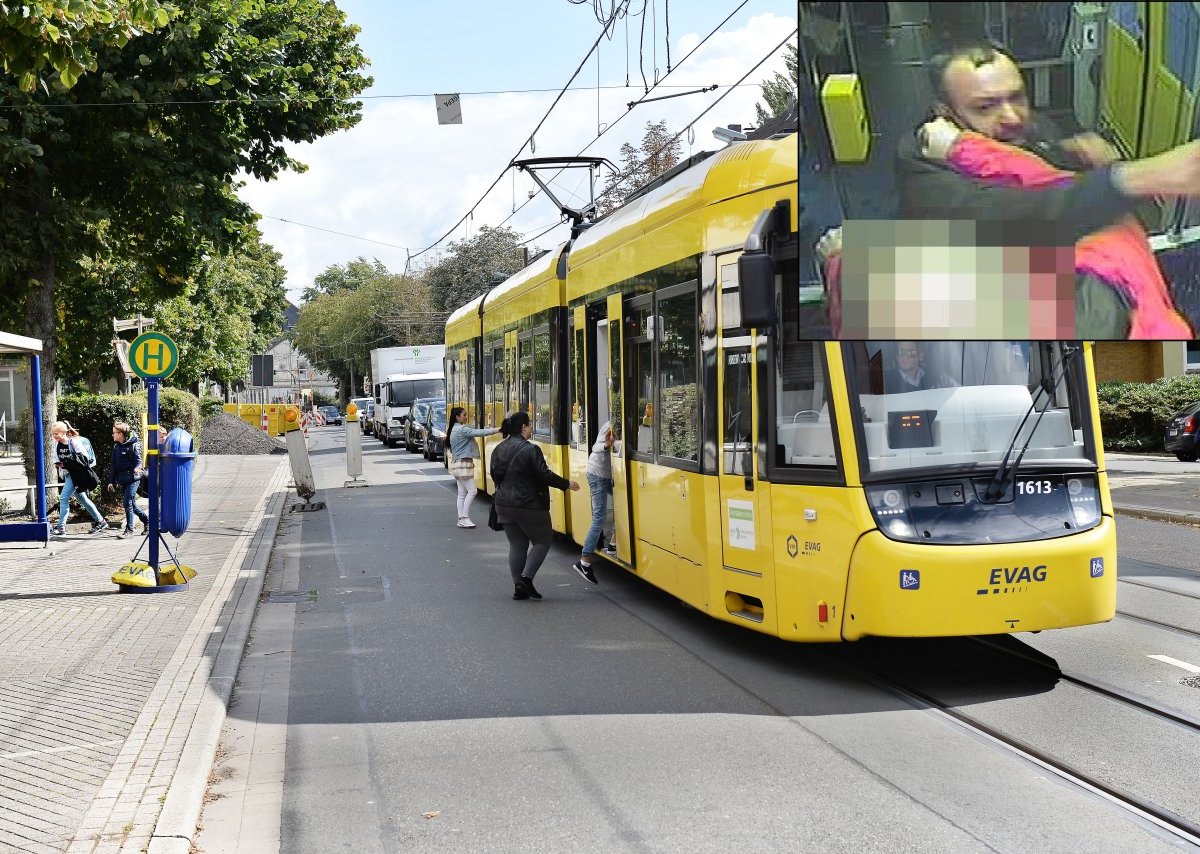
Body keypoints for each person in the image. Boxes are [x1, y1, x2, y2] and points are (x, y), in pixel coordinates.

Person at [895, 41, 1200, 337]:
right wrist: (1132, 178)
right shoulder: (922, 165)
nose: (1012, 116)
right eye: (985, 107)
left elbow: (1034, 169)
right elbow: (1011, 217)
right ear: (946, 115)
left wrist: (1066, 151)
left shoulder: (1031, 129)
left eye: (1016, 97)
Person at [489, 411, 580, 601]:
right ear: (524, 427)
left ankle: (518, 587)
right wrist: (566, 484)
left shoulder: (498, 449)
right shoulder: (531, 449)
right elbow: (544, 475)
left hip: (503, 504)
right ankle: (525, 580)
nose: (531, 428)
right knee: (543, 540)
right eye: (530, 425)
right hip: (529, 504)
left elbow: (495, 475)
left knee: (517, 544)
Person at [572, 420, 615, 585]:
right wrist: (606, 445)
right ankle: (584, 560)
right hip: (597, 475)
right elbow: (596, 447)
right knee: (599, 517)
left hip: (606, 476)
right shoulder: (609, 424)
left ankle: (612, 544)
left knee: (623, 506)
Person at [50, 420, 108, 535]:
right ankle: (101, 521)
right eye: (53, 434)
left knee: (63, 498)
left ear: (63, 433)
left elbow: (84, 459)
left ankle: (61, 527)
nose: (54, 436)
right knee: (83, 499)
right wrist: (63, 464)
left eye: (56, 433)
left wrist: (67, 463)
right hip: (67, 475)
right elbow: (57, 461)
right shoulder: (57, 444)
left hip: (76, 475)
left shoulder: (74, 443)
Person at [445, 406, 499, 528]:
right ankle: (464, 517)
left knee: (462, 494)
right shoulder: (462, 429)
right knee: (472, 491)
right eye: (464, 415)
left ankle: (461, 518)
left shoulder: (453, 429)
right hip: (463, 464)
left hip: (457, 464)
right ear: (457, 417)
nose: (466, 417)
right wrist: (497, 429)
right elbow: (479, 432)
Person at [106, 421, 148, 539]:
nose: (112, 435)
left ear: (121, 434)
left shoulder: (134, 445)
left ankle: (129, 531)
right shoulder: (116, 446)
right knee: (132, 505)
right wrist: (111, 481)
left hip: (133, 478)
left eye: (114, 433)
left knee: (127, 503)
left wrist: (137, 468)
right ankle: (147, 521)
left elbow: (138, 461)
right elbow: (113, 465)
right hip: (122, 478)